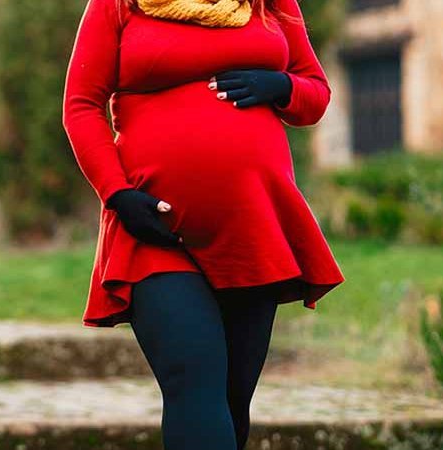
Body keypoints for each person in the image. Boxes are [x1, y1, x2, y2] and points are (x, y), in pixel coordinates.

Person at [62, 0, 345, 448]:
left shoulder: (269, 3)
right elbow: (81, 105)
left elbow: (315, 95)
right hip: (155, 232)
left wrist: (280, 85)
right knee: (194, 384)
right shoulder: (118, 5)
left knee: (232, 403)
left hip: (252, 228)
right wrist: (117, 194)